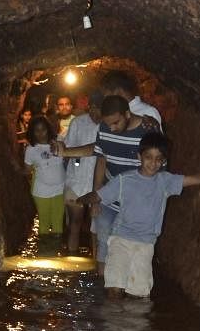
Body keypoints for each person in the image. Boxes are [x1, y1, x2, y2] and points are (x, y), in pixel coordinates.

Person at [79, 132, 200, 298]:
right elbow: (99, 195)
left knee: (138, 294)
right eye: (149, 157)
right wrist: (82, 200)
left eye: (158, 159)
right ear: (140, 156)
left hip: (146, 244)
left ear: (163, 161)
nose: (153, 163)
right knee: (114, 289)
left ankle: (130, 323)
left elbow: (195, 179)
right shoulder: (124, 180)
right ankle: (113, 323)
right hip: (121, 240)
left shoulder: (165, 181)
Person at [54, 93, 146, 273]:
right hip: (105, 193)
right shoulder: (100, 126)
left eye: (116, 123)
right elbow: (100, 154)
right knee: (100, 239)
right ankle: (100, 281)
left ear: (127, 114)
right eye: (108, 123)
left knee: (125, 243)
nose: (112, 128)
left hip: (133, 199)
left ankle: (123, 284)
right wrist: (97, 194)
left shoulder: (147, 129)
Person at [62, 91, 102, 254]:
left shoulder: (109, 124)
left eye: (98, 108)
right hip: (77, 180)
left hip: (99, 183)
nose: (94, 112)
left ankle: (96, 264)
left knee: (97, 226)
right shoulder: (78, 122)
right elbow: (68, 148)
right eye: (92, 107)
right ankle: (72, 256)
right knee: (75, 222)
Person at [23, 115, 66, 236]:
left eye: (43, 129)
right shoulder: (31, 149)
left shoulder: (60, 140)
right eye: (37, 130)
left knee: (58, 222)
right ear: (32, 132)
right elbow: (27, 170)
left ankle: (56, 251)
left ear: (48, 128)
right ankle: (44, 252)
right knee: (44, 223)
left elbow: (72, 159)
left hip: (60, 189)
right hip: (41, 191)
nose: (41, 133)